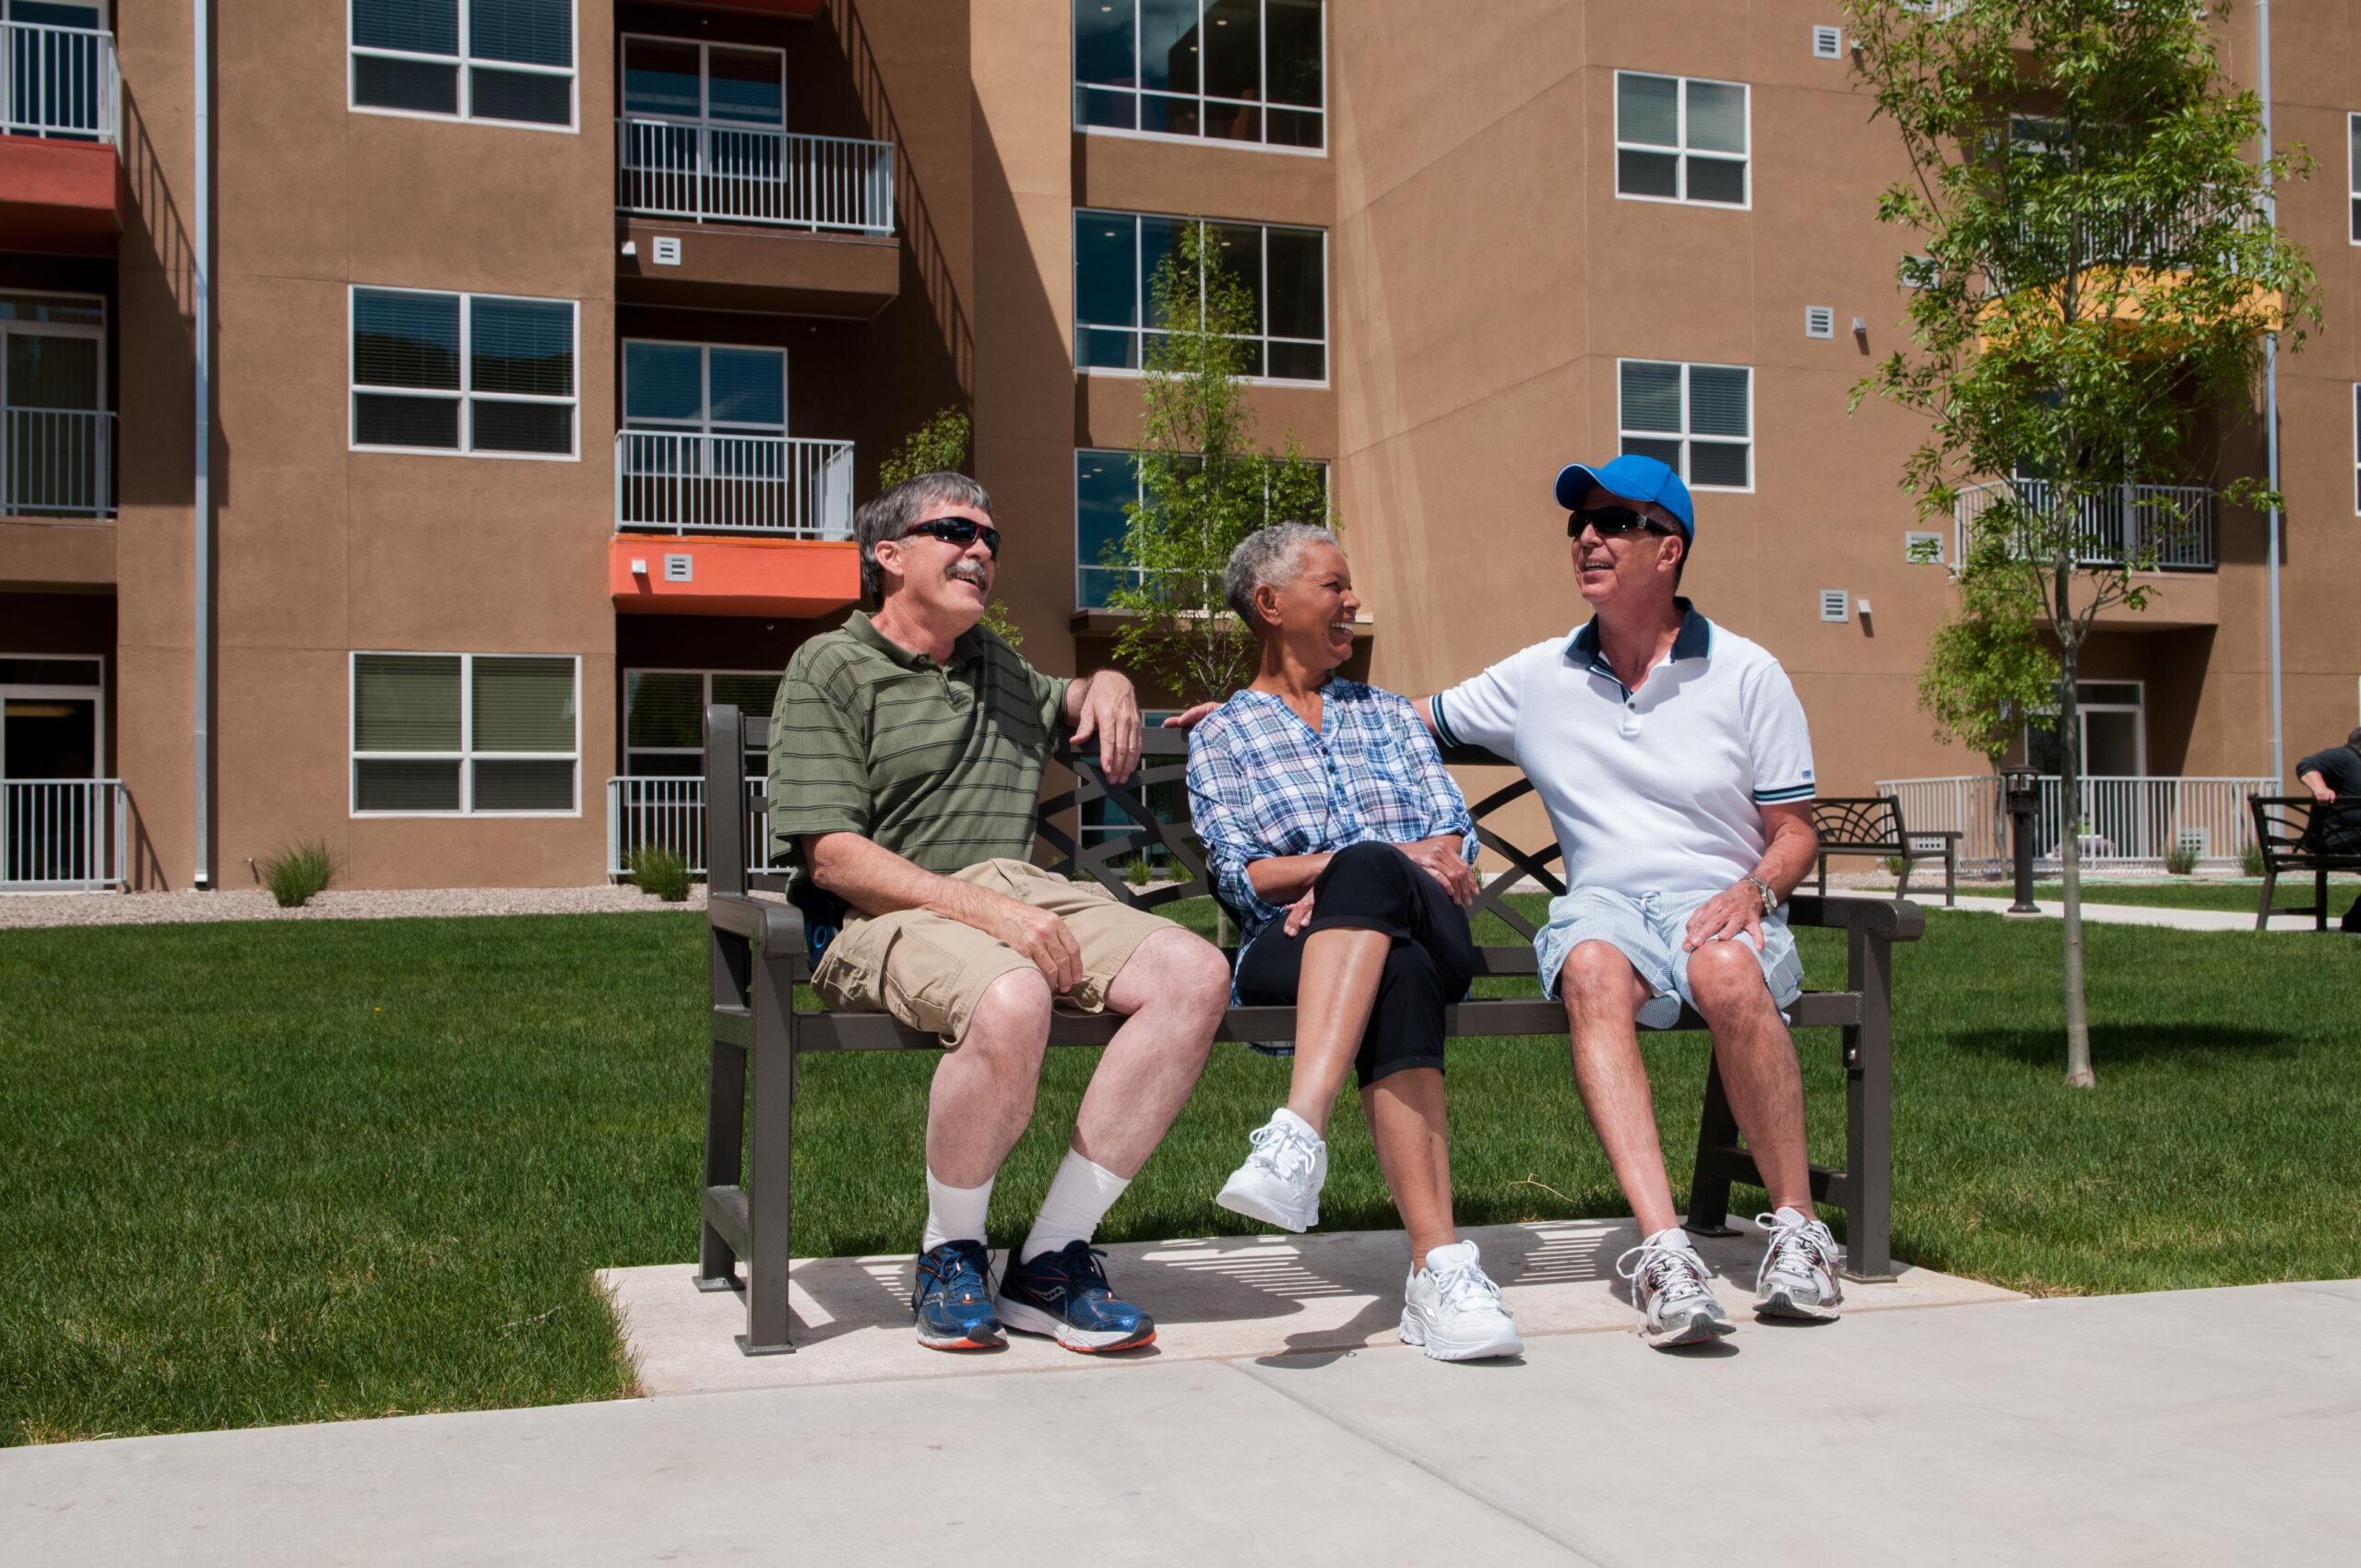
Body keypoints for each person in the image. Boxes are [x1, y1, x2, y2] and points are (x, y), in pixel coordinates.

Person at [767, 471, 1232, 1355]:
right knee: (1013, 994)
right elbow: (830, 854)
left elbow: (1074, 699)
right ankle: (951, 1252)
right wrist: (989, 912)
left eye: (990, 540)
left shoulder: (997, 665)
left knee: (1194, 973)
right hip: (874, 912)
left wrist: (1110, 678)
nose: (980, 551)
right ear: (888, 554)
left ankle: (1052, 1259)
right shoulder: (832, 666)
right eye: (955, 531)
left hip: (1009, 889)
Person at [1418, 454, 1835, 1348]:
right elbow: (1404, 721)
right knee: (1592, 966)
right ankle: (1663, 1249)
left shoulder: (1747, 672)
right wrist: (1255, 705)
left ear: (1669, 548)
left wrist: (1754, 887)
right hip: (1601, 902)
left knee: (1726, 968)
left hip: (1716, 900)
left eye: (1613, 521)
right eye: (1579, 522)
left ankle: (1799, 1232)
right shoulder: (1537, 676)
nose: (1588, 537)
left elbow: (1795, 829)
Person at [1187, 524, 1524, 1362]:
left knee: (1376, 881)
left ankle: (1301, 1132)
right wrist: (1342, 877)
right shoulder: (1222, 735)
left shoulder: (1391, 718)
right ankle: (1439, 1269)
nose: (1352, 603)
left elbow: (1454, 849)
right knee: (1392, 962)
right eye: (1333, 586)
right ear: (1270, 604)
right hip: (1295, 947)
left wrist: (1352, 874)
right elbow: (1238, 874)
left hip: (1425, 920)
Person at [2295, 728, 2361, 932]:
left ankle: (2356, 920)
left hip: (2352, 840)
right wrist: (2320, 788)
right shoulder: (2345, 757)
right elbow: (2306, 764)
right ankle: (2356, 920)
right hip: (2335, 841)